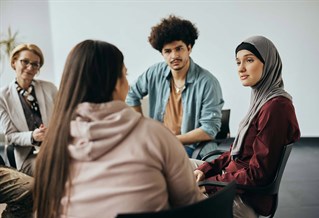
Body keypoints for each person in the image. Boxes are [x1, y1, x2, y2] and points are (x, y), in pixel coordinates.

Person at [33, 40, 204, 218]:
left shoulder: (53, 144)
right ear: (116, 83)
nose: (174, 55)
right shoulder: (155, 135)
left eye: (178, 49)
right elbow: (191, 203)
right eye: (125, 74)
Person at [192, 36, 300, 218]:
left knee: (174, 192)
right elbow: (238, 153)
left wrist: (210, 183)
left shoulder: (276, 107)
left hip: (244, 198)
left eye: (249, 60)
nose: (241, 68)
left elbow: (258, 174)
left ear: (269, 63)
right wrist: (205, 170)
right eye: (238, 62)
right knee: (180, 166)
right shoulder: (262, 100)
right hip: (232, 182)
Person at [126, 15, 224, 159]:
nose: (174, 56)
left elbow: (209, 130)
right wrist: (142, 128)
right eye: (168, 51)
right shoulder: (154, 73)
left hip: (191, 146)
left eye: (179, 49)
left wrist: (172, 140)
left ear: (189, 48)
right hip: (158, 145)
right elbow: (132, 95)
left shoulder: (208, 82)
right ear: (162, 53)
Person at [0, 43, 58, 176]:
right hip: (29, 157)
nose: (30, 67)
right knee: (53, 167)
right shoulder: (2, 97)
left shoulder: (50, 88)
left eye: (35, 64)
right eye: (25, 61)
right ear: (14, 62)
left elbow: (63, 117)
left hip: (55, 148)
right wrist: (33, 136)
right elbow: (10, 136)